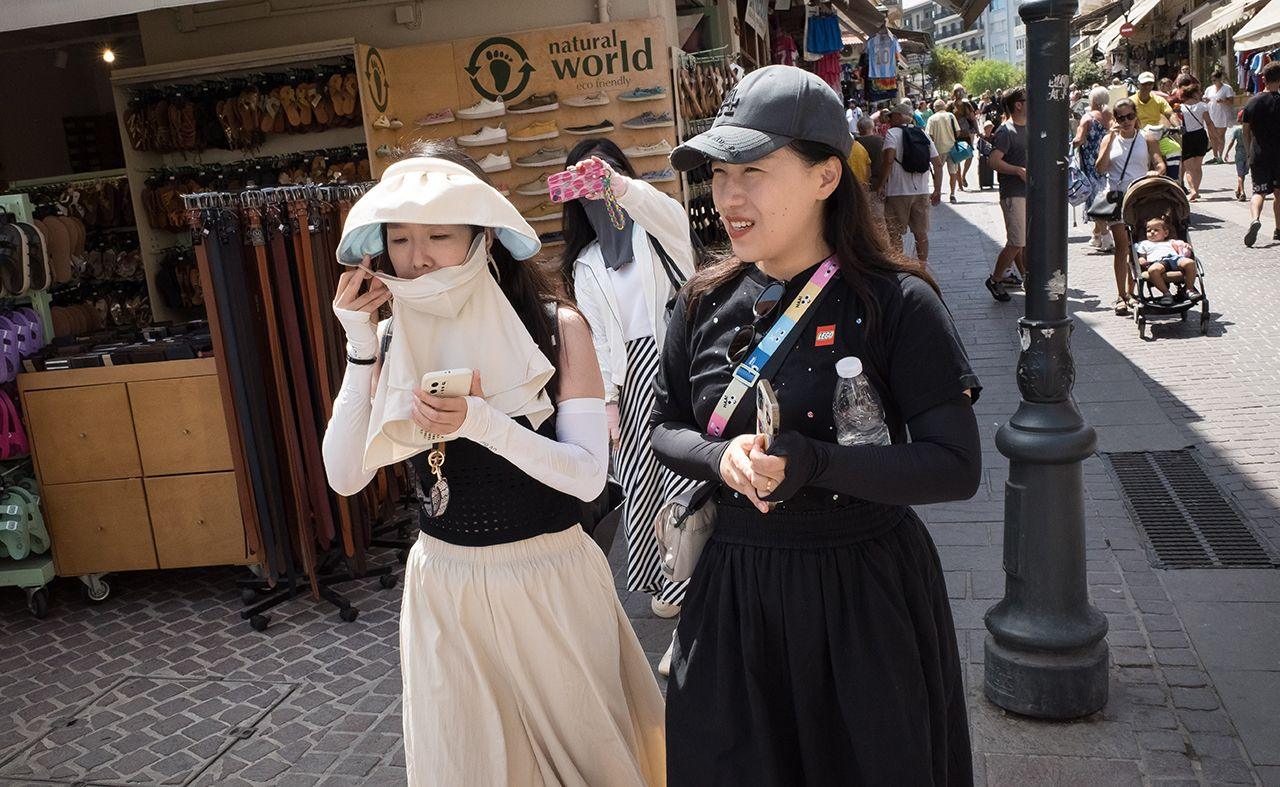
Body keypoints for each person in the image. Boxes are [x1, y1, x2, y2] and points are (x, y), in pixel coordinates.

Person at [659, 63, 980, 786]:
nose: (727, 196)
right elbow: (665, 427)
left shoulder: (898, 302)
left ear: (826, 177)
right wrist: (720, 459)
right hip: (735, 596)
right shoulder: (701, 301)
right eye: (718, 173)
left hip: (864, 597)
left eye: (753, 172)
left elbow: (955, 465)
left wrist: (814, 461)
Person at [321, 144, 666, 786]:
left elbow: (590, 475)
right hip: (442, 585)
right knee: (469, 764)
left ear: (483, 235)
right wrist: (359, 346)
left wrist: (484, 423)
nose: (416, 257)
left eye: (439, 235)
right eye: (398, 239)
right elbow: (344, 476)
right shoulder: (390, 338)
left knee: (587, 760)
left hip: (549, 578)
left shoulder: (558, 326)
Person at [558, 138, 697, 676]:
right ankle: (669, 580)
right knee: (645, 487)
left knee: (687, 481)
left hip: (680, 366)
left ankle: (692, 595)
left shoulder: (657, 229)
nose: (598, 191)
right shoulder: (587, 261)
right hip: (630, 379)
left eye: (606, 175)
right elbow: (596, 339)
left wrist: (615, 183)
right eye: (586, 182)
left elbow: (669, 213)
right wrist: (609, 401)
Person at [1097, 97, 1167, 314]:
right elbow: (1100, 168)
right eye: (1121, 117)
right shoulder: (1110, 139)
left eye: (1130, 116)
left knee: (1137, 246)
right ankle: (1120, 295)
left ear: (1136, 115)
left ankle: (1132, 291)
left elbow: (1160, 163)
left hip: (1141, 197)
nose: (1126, 121)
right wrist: (1109, 139)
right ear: (1115, 119)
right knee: (1122, 246)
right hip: (1118, 198)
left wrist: (1157, 171)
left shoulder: (1146, 137)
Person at [872, 99, 943, 260]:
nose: (889, 121)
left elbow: (889, 160)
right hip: (922, 191)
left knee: (895, 233)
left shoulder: (892, 134)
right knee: (921, 234)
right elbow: (938, 164)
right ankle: (923, 267)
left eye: (891, 117)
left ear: (898, 117)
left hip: (897, 192)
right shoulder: (922, 133)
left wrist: (881, 185)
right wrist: (937, 189)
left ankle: (902, 266)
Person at [985, 86, 1029, 302]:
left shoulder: (1030, 127)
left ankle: (1028, 278)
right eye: (1027, 99)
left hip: (1029, 193)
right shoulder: (1006, 131)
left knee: (1023, 241)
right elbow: (993, 161)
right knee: (1016, 242)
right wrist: (1017, 170)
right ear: (1018, 105)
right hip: (1013, 193)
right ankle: (995, 279)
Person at [1242, 60, 1280, 247]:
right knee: (1279, 194)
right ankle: (1278, 230)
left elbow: (1245, 130)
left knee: (1259, 192)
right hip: (1279, 156)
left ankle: (1255, 218)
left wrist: (1249, 150)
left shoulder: (1252, 102)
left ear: (1263, 78)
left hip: (1258, 154)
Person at [1074, 86, 1115, 251]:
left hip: (1091, 163)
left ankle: (1105, 237)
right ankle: (1096, 236)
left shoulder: (1087, 118)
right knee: (1103, 195)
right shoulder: (1109, 116)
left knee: (1096, 201)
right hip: (1107, 159)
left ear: (1093, 100)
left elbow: (1079, 139)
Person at [1134, 216, 1199, 306]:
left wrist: (1185, 246)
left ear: (1165, 233)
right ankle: (1166, 294)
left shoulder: (1171, 241)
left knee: (1190, 263)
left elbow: (1182, 246)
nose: (1152, 232)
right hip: (1158, 262)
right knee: (1152, 270)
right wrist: (1141, 260)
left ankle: (1189, 289)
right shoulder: (1144, 244)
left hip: (1175, 258)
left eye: (1156, 230)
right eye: (1149, 231)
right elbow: (1141, 256)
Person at [1177, 82, 1212, 201]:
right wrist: (1213, 138)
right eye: (1198, 92)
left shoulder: (1180, 108)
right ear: (1194, 93)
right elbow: (1209, 123)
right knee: (1198, 166)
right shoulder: (1203, 106)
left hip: (1187, 137)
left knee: (1188, 168)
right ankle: (1195, 190)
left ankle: (1193, 190)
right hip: (1200, 135)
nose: (1200, 93)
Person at [925, 99, 960, 203]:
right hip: (952, 148)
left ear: (935, 108)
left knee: (938, 172)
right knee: (953, 172)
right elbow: (958, 132)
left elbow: (929, 135)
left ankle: (937, 192)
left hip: (938, 149)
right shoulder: (951, 116)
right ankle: (952, 194)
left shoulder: (932, 119)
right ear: (944, 106)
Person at [1204, 69, 1236, 163]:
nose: (1214, 82)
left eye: (1215, 80)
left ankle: (1220, 156)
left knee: (1220, 136)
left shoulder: (1227, 88)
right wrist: (1205, 100)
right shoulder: (1209, 89)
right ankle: (1214, 156)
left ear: (1220, 79)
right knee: (1212, 137)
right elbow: (1205, 98)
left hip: (1222, 114)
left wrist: (1223, 101)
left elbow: (1231, 101)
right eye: (1212, 80)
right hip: (1211, 113)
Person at [1226, 110, 1248, 201]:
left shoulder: (1237, 130)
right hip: (1248, 154)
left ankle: (1241, 192)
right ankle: (1239, 190)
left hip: (1239, 154)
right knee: (1243, 174)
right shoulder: (1250, 129)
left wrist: (1227, 152)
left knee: (1240, 174)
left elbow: (1231, 142)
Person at [856, 116, 885, 183]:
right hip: (878, 181)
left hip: (859, 182)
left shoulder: (854, 143)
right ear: (872, 127)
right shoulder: (880, 141)